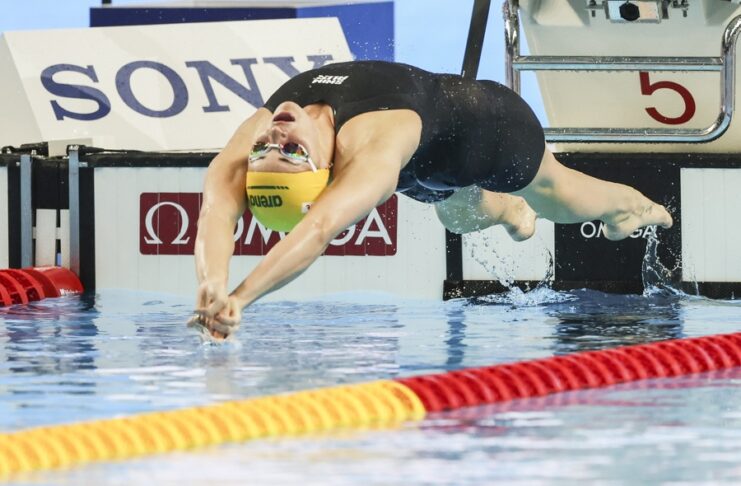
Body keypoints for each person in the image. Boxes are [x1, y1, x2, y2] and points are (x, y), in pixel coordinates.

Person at [190, 61, 672, 338]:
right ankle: (623, 204)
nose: (276, 136)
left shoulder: (263, 130)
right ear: (325, 173)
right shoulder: (369, 151)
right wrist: (234, 299)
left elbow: (216, 207)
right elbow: (317, 229)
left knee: (546, 199)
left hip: (477, 124)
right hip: (486, 138)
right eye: (291, 153)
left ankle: (622, 209)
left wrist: (219, 287)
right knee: (461, 213)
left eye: (265, 151)